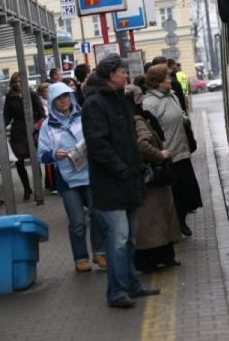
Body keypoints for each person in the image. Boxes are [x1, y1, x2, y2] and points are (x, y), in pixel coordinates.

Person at [82, 55, 160, 309]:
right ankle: (116, 292)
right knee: (118, 239)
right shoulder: (94, 104)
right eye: (122, 72)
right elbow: (98, 146)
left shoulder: (121, 99)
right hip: (110, 185)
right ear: (110, 75)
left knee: (130, 239)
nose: (126, 76)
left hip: (128, 180)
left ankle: (132, 284)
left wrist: (135, 168)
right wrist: (123, 169)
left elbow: (129, 138)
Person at [38, 82, 106, 273]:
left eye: (67, 96)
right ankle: (80, 258)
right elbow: (41, 154)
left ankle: (100, 253)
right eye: (60, 98)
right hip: (67, 179)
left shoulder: (83, 116)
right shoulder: (47, 126)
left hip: (90, 174)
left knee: (98, 214)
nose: (64, 101)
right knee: (77, 222)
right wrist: (54, 154)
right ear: (52, 101)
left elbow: (97, 137)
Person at [127, 83, 182, 272]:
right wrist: (161, 155)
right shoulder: (138, 119)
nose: (142, 99)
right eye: (139, 96)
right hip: (152, 177)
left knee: (155, 218)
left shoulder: (132, 118)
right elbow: (142, 145)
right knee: (154, 219)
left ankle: (161, 257)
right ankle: (156, 258)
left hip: (147, 177)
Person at [142, 64, 202, 237]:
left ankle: (181, 221)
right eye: (167, 78)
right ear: (158, 82)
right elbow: (150, 130)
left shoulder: (173, 96)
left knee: (185, 193)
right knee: (174, 195)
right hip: (167, 155)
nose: (171, 80)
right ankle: (174, 226)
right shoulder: (150, 103)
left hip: (182, 151)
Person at [3, 71, 46, 201]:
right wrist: (2, 128)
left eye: (20, 82)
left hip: (31, 129)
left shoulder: (32, 95)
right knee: (19, 161)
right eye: (15, 82)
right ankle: (26, 188)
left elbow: (41, 112)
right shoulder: (10, 97)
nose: (17, 84)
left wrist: (37, 123)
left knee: (35, 159)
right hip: (17, 131)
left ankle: (38, 186)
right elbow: (7, 116)